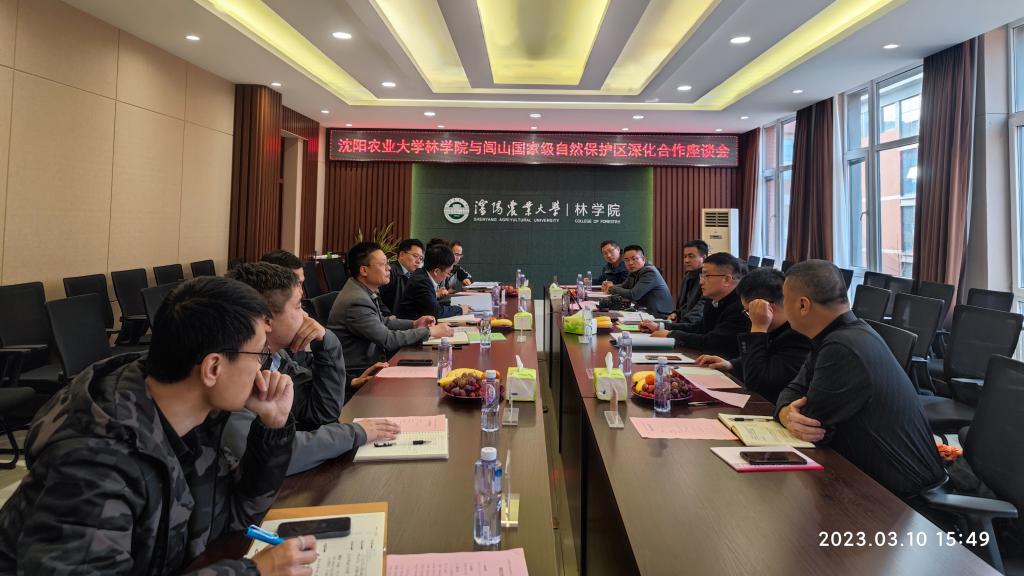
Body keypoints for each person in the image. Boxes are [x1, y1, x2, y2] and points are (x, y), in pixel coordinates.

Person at [0, 277, 317, 575]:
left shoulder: (194, 415)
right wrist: (253, 571)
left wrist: (272, 427)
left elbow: (232, 521)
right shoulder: (95, 461)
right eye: (260, 354)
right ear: (213, 367)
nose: (264, 369)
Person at [774, 260, 946, 498]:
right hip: (871, 475)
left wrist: (789, 414)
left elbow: (812, 427)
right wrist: (785, 412)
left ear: (803, 305)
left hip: (897, 497)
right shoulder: (840, 334)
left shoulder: (842, 347)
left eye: (784, 299)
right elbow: (793, 391)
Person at [223, 262, 400, 475]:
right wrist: (355, 433)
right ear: (267, 320)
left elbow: (322, 413)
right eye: (298, 306)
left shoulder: (276, 357)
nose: (306, 316)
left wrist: (327, 342)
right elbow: (272, 456)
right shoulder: (234, 370)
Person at [328, 242, 453, 376]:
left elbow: (382, 322)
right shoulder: (356, 300)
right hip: (360, 371)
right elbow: (388, 339)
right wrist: (430, 331)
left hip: (374, 361)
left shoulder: (361, 290)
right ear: (364, 270)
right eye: (383, 264)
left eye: (387, 263)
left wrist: (414, 323)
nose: (388, 268)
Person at [694, 267, 811, 404]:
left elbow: (758, 383)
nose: (749, 318)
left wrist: (758, 329)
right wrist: (731, 365)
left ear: (766, 307)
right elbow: (767, 358)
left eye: (749, 312)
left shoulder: (799, 335)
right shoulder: (780, 328)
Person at [642, 252, 750, 358]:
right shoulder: (713, 301)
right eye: (701, 276)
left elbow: (713, 342)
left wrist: (671, 335)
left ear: (726, 279)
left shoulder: (742, 307)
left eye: (706, 276)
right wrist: (660, 327)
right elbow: (698, 328)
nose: (701, 282)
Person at [396, 243, 472, 320]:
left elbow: (433, 305)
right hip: (410, 324)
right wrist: (460, 309)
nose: (448, 276)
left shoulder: (423, 274)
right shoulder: (422, 282)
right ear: (436, 271)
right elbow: (436, 312)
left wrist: (453, 305)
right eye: (448, 273)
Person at [600, 244, 673, 315]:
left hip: (658, 315)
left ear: (643, 259)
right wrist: (608, 287)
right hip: (644, 312)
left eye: (634, 259)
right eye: (626, 260)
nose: (630, 263)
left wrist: (611, 288)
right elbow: (624, 286)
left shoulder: (649, 272)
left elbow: (634, 295)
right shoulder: (634, 271)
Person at [667, 239, 708, 325]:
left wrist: (677, 326)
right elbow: (684, 305)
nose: (686, 260)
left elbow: (702, 307)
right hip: (683, 324)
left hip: (695, 326)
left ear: (704, 258)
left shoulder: (709, 278)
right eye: (685, 256)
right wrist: (676, 313)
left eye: (691, 256)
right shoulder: (688, 276)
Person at [379, 238, 424, 313]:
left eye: (421, 258)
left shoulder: (414, 275)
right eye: (415, 256)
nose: (418, 261)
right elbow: (377, 298)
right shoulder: (389, 272)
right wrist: (388, 315)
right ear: (402, 255)